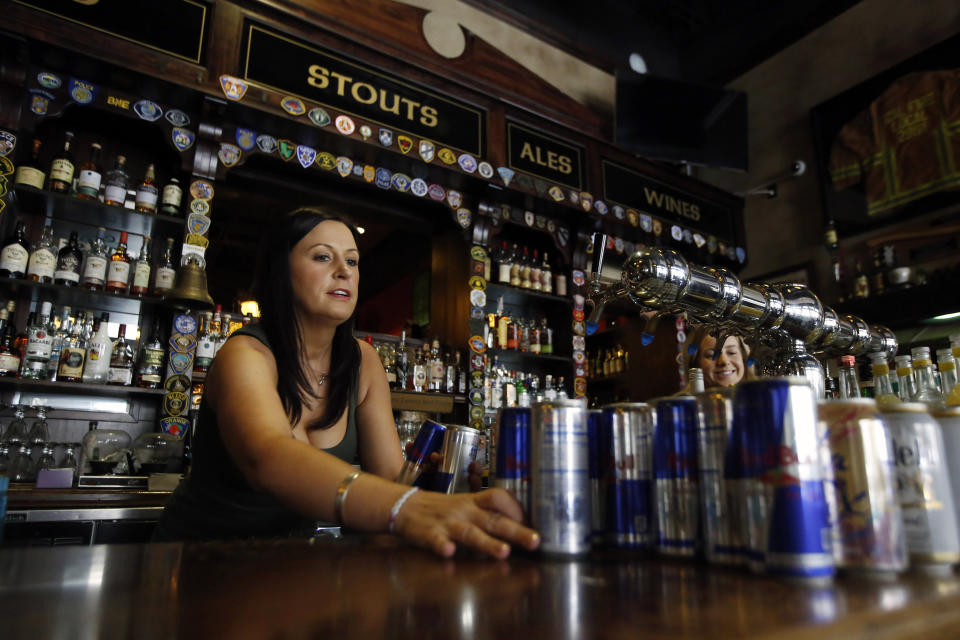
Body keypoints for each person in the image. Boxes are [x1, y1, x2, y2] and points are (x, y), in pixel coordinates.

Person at [155, 208, 539, 559]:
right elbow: (267, 457)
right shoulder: (246, 354)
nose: (344, 271)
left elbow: (390, 481)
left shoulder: (363, 361)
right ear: (281, 272)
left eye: (352, 261)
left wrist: (443, 491)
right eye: (323, 257)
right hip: (200, 560)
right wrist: (406, 507)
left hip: (285, 567)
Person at [687, 326, 755, 388]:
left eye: (732, 352)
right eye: (711, 355)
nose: (724, 361)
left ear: (743, 356)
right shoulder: (685, 401)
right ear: (696, 363)